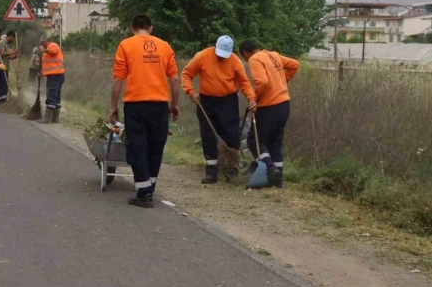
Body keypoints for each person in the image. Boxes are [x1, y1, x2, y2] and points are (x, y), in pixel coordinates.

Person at [109, 13, 179, 208]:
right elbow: (174, 78)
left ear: (132, 29)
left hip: (135, 104)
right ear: (151, 28)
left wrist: (113, 105)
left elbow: (117, 79)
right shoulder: (164, 46)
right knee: (156, 146)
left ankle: (143, 193)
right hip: (159, 105)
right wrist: (174, 104)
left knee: (138, 146)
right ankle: (149, 187)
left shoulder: (126, 45)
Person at [182, 36, 257, 184]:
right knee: (208, 136)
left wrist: (251, 98)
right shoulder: (202, 56)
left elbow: (244, 82)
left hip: (228, 101)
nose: (221, 57)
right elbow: (186, 74)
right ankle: (211, 171)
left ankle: (232, 170)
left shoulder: (235, 61)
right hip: (206, 102)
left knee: (231, 135)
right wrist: (191, 92)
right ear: (215, 47)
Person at [238, 39, 300, 188]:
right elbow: (294, 65)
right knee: (275, 142)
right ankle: (277, 181)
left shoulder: (254, 59)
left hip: (269, 106)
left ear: (245, 53)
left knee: (254, 140)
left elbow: (263, 82)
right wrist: (282, 82)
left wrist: (255, 98)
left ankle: (270, 169)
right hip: (284, 104)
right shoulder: (273, 55)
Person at [38, 35, 65, 124]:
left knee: (51, 94)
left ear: (45, 41)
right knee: (56, 96)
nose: (41, 45)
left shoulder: (53, 45)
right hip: (55, 75)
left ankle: (47, 119)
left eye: (42, 43)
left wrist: (44, 50)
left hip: (55, 75)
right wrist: (41, 72)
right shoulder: (47, 51)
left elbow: (54, 52)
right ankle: (55, 119)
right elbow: (48, 65)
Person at [0, 31, 18, 106]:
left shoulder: (6, 44)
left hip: (4, 68)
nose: (13, 40)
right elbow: (2, 53)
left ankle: (3, 100)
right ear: (10, 36)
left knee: (4, 85)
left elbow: (8, 57)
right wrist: (13, 52)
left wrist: (15, 56)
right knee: (1, 85)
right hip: (0, 68)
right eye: (13, 38)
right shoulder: (2, 43)